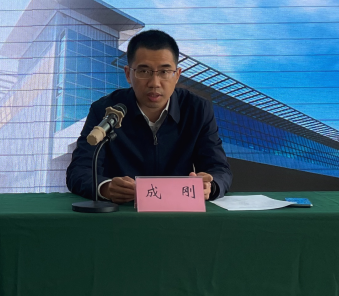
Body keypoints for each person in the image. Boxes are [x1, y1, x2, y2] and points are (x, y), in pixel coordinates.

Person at [66, 29, 232, 202]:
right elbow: (79, 170)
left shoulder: (198, 110)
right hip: (123, 211)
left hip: (178, 209)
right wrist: (105, 187)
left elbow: (220, 169)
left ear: (177, 75)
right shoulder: (104, 110)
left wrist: (210, 186)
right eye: (144, 71)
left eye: (164, 72)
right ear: (128, 74)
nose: (154, 83)